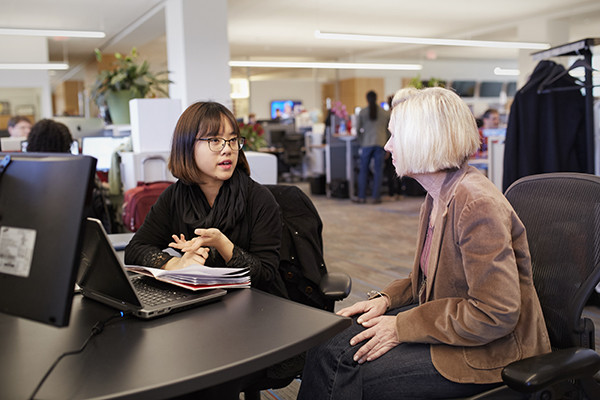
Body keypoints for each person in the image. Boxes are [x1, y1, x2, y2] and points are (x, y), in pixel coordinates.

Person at [297, 87, 551, 400]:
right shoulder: (437, 196)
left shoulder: (475, 204)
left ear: (423, 139)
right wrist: (387, 301)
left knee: (347, 367)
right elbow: (428, 278)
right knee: (325, 342)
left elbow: (494, 313)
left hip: (491, 351)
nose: (388, 146)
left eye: (395, 136)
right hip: (455, 329)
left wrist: (400, 327)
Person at [124, 101, 289, 398]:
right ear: (188, 147)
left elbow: (266, 276)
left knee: (204, 380)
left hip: (255, 319)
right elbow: (136, 249)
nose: (227, 149)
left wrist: (224, 245)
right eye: (214, 140)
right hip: (199, 314)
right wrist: (176, 264)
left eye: (232, 139)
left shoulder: (258, 199)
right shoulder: (175, 196)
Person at [354, 91, 390, 204]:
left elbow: (357, 130)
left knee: (363, 170)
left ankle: (361, 197)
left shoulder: (362, 112)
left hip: (366, 144)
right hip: (380, 143)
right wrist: (387, 145)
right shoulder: (385, 113)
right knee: (378, 171)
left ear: (367, 99)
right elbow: (389, 131)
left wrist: (361, 142)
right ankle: (376, 197)